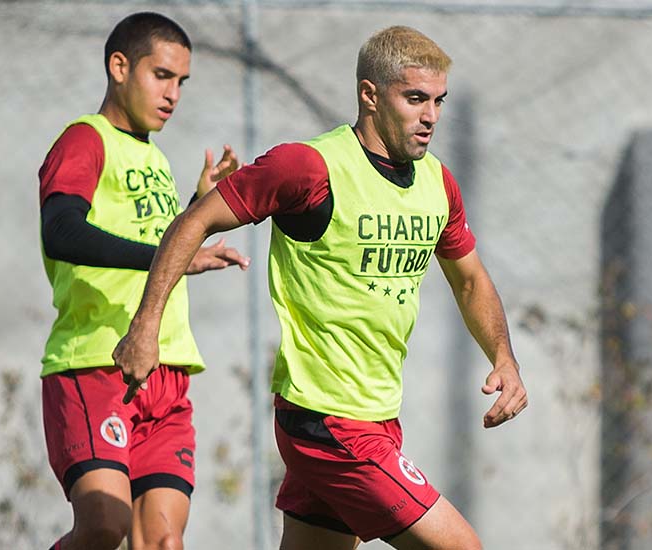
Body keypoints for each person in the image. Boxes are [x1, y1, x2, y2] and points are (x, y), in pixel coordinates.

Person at [113, 25, 527, 549]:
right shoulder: (308, 167)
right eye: (416, 98)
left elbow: (469, 280)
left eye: (439, 101)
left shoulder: (436, 183)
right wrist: (145, 326)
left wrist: (504, 357)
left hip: (376, 417)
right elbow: (194, 222)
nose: (431, 117)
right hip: (328, 420)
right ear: (369, 96)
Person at [37, 12, 248, 550]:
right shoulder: (86, 139)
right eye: (162, 75)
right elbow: (62, 231)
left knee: (162, 542)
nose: (174, 93)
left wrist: (196, 207)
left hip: (168, 372)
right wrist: (168, 255)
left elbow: (150, 247)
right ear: (119, 67)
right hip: (97, 364)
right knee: (103, 530)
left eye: (182, 82)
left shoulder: (152, 156)